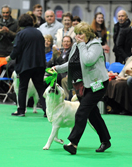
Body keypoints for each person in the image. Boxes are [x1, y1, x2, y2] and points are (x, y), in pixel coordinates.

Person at [52, 22, 111, 154]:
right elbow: (72, 63)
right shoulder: (77, 45)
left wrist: (82, 45)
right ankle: (106, 141)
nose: (78, 36)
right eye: (77, 33)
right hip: (81, 84)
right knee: (93, 114)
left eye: (81, 34)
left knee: (82, 111)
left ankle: (73, 144)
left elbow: (88, 60)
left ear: (88, 34)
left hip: (97, 84)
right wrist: (57, 68)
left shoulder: (94, 45)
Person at [7, 14, 47, 117]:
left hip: (26, 65)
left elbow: (16, 49)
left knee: (22, 87)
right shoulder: (39, 33)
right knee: (40, 88)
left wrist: (9, 57)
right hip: (39, 64)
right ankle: (47, 111)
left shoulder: (20, 34)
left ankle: (21, 111)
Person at [106, 40, 132, 115]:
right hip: (123, 77)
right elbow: (123, 70)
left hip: (131, 78)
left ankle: (125, 108)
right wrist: (119, 77)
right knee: (111, 82)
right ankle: (115, 107)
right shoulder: (130, 58)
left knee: (119, 85)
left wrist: (124, 78)